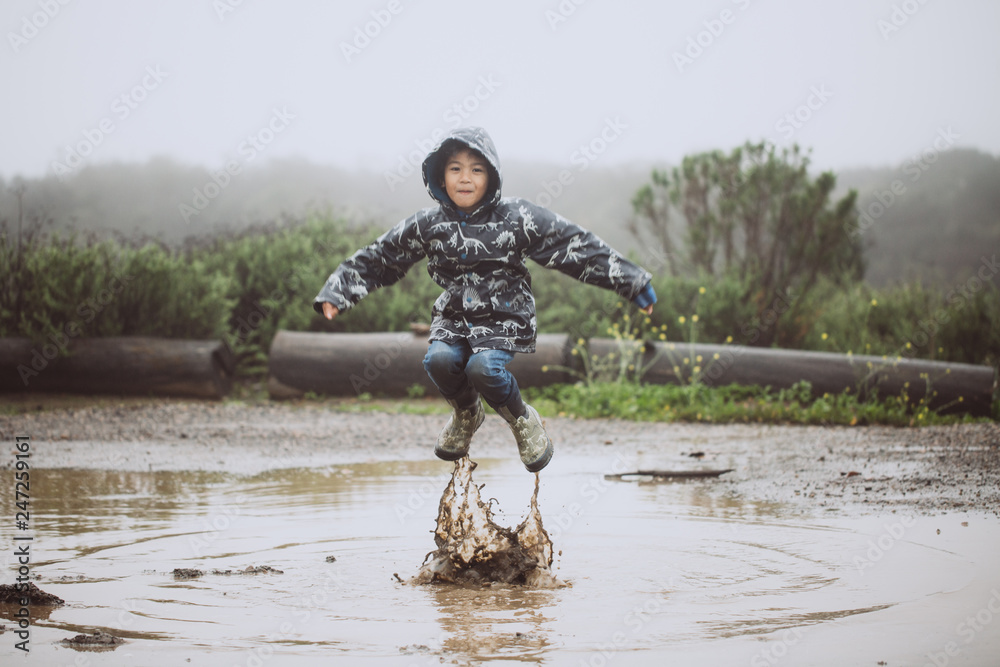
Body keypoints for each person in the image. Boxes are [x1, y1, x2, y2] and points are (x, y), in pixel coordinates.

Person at [314, 127, 655, 473]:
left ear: (491, 176)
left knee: (483, 368)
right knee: (438, 360)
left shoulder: (517, 217)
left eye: (476, 169)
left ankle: (522, 419)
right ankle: (466, 411)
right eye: (455, 169)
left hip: (505, 314)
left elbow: (574, 246)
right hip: (455, 316)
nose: (465, 178)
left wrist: (631, 281)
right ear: (440, 176)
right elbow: (380, 256)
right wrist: (338, 291)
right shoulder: (428, 224)